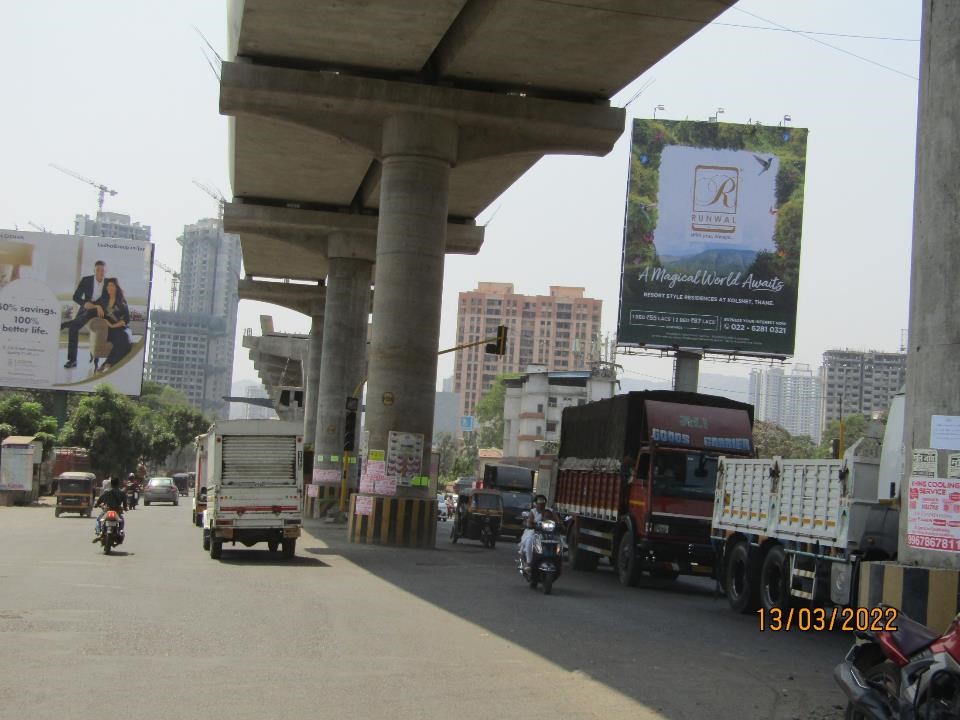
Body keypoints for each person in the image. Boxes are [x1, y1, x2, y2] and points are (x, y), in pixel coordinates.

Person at [61, 260, 107, 369]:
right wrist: (84, 303)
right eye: (98, 270)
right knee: (73, 329)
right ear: (94, 270)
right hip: (86, 309)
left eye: (102, 270)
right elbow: (75, 297)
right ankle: (72, 360)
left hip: (100, 312)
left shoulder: (109, 283)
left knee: (74, 324)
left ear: (106, 271)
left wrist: (98, 306)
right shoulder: (86, 280)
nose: (100, 272)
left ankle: (65, 324)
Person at [94, 277, 132, 373]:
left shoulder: (122, 301)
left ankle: (107, 364)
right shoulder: (102, 300)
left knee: (124, 339)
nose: (109, 287)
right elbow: (91, 305)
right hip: (108, 330)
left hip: (120, 327)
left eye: (112, 285)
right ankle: (110, 364)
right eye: (108, 285)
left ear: (116, 287)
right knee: (122, 340)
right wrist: (97, 306)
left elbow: (127, 319)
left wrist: (112, 325)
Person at [519, 494, 560, 565]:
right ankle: (529, 562)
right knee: (529, 540)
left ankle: (557, 560)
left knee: (559, 541)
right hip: (535, 531)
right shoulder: (533, 511)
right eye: (539, 501)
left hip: (549, 532)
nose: (541, 503)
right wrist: (530, 524)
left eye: (543, 501)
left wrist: (559, 524)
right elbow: (529, 522)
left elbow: (557, 521)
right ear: (535, 503)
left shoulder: (550, 511)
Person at [92, 476, 128, 542]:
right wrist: (125, 508)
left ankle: (99, 532)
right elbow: (125, 504)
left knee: (98, 520)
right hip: (117, 512)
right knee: (121, 521)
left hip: (107, 511)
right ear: (118, 484)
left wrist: (96, 505)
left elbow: (100, 500)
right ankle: (120, 531)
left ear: (111, 484)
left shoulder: (107, 492)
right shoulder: (122, 493)